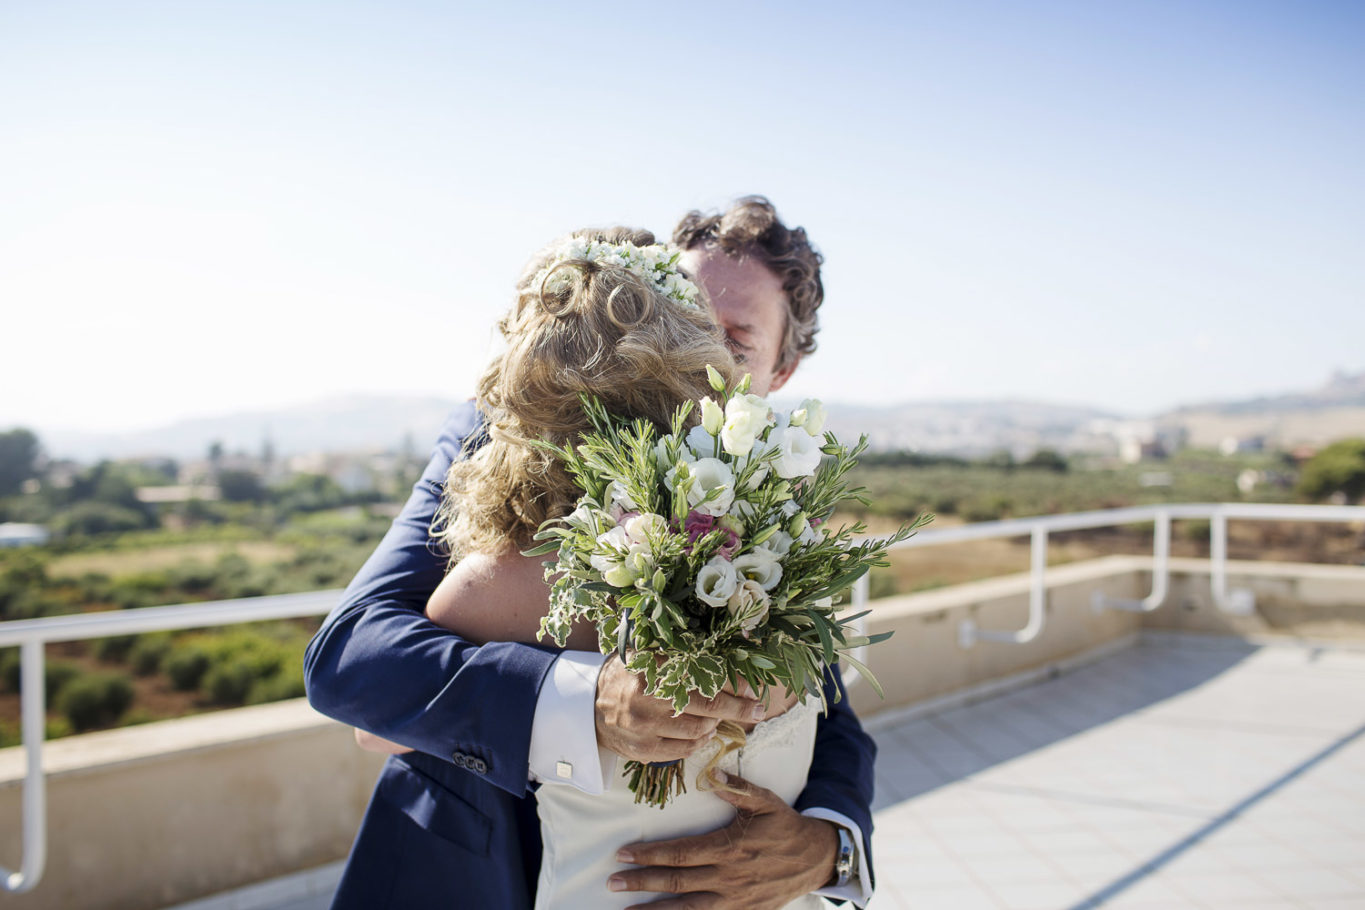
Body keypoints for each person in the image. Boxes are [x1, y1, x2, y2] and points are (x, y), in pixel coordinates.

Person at [304, 199, 876, 909]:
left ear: (779, 375)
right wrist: (583, 700)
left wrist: (827, 848)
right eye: (687, 315)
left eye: (734, 339)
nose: (697, 353)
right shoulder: (502, 432)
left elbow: (833, 713)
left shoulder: (779, 507)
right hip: (465, 876)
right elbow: (352, 657)